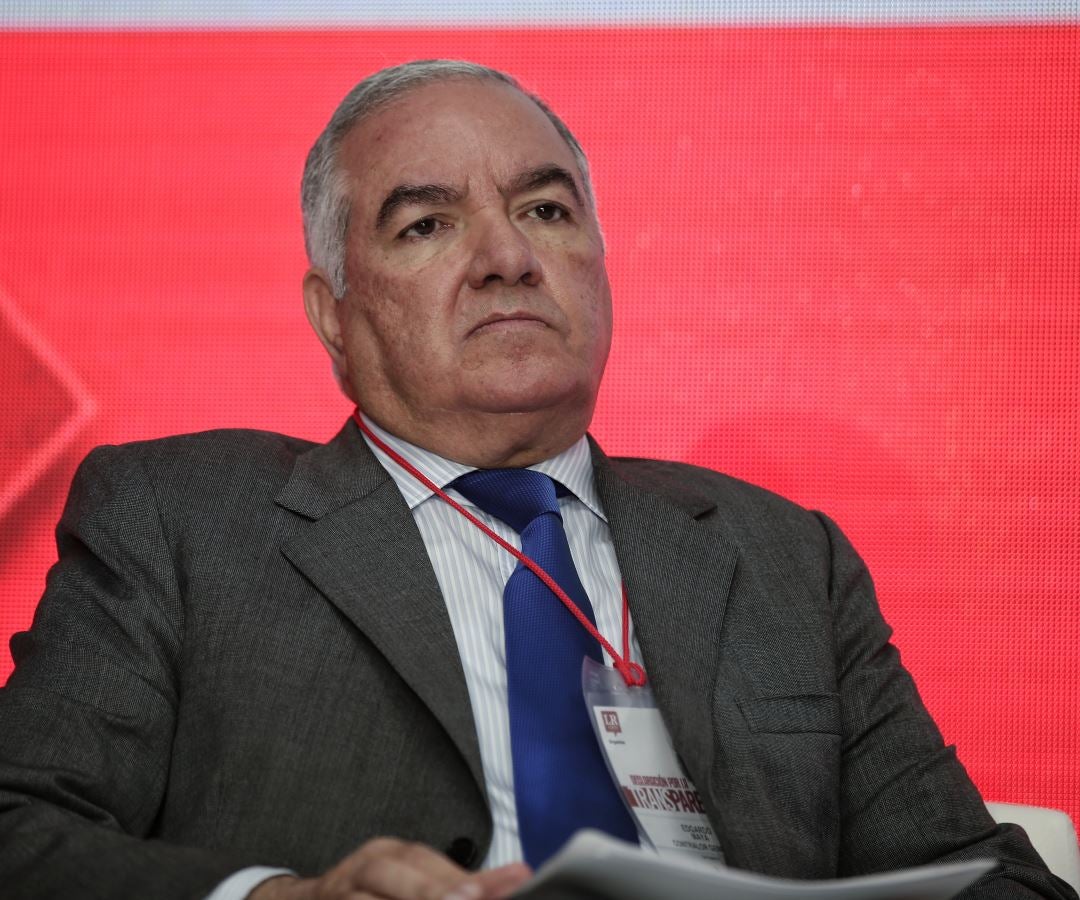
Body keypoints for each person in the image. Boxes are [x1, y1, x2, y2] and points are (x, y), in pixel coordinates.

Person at [0, 60, 1073, 900]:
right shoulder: (183, 522)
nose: (507, 258)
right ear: (335, 316)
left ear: (602, 263)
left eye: (547, 211)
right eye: (427, 225)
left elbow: (987, 879)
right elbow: (21, 827)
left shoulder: (783, 557)